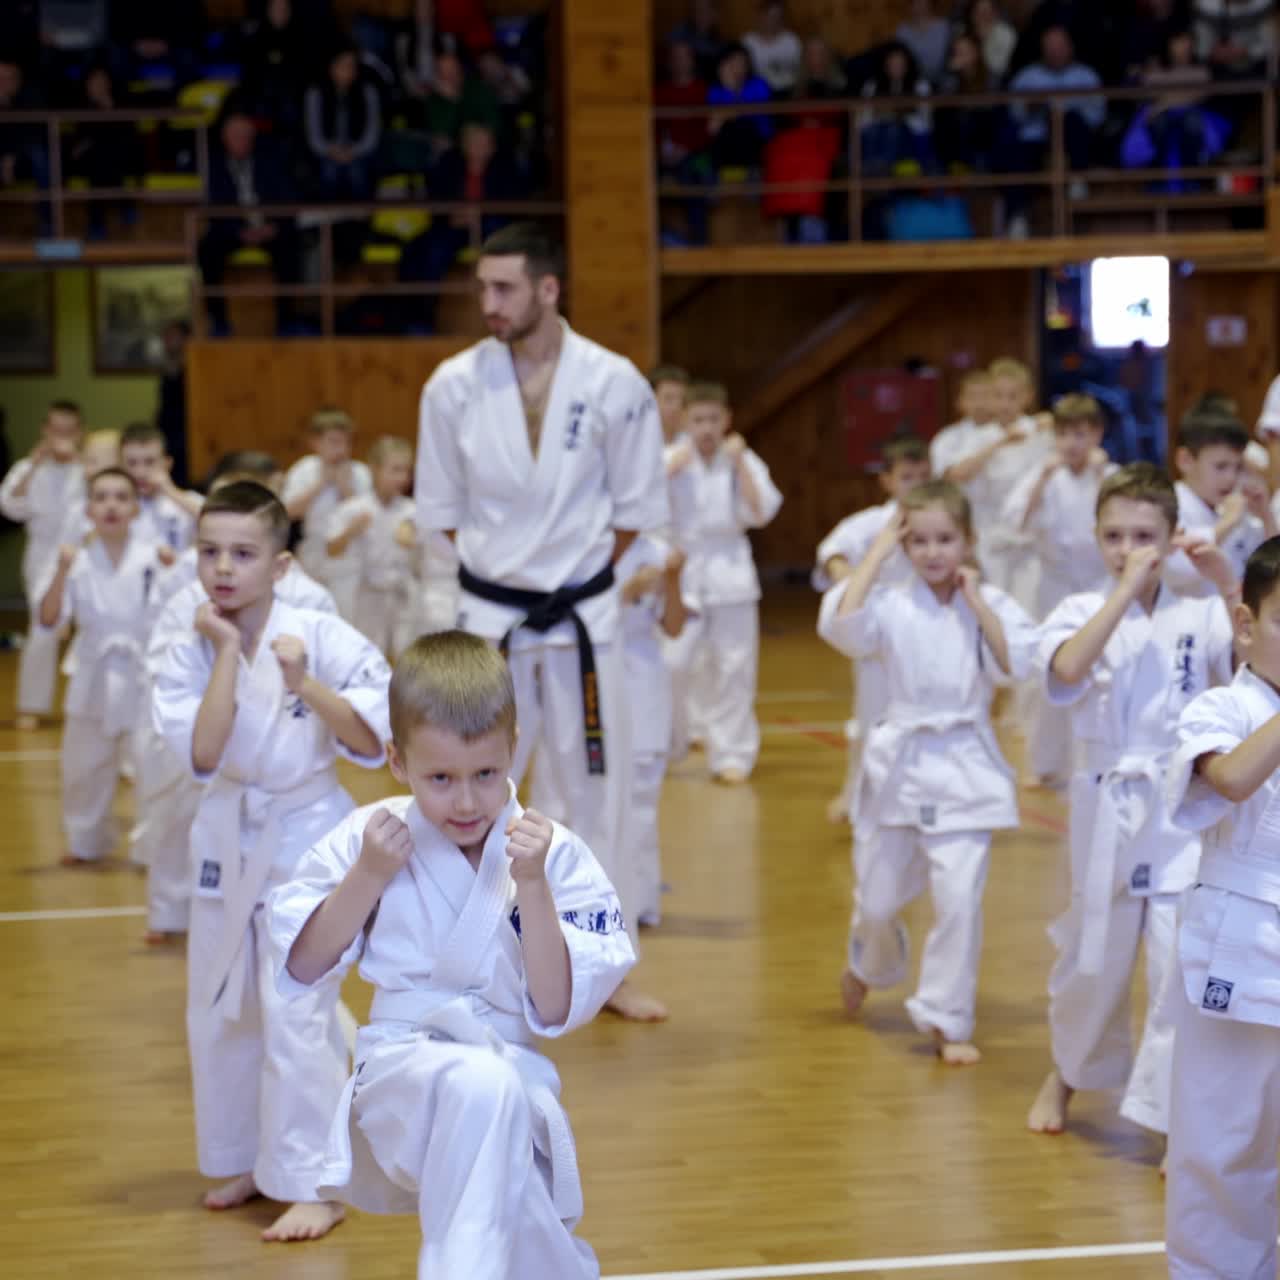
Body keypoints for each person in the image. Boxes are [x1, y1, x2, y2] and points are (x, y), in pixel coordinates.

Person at [267, 631, 634, 1278]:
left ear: (513, 749)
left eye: (485, 776)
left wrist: (534, 888)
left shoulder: (553, 855)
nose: (465, 802)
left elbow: (553, 1006)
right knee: (486, 1089)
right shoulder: (367, 838)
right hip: (401, 1075)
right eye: (440, 779)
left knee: (527, 1223)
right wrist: (369, 877)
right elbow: (301, 967)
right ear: (398, 763)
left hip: (513, 1067)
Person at [415, 222, 670, 1023]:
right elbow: (442, 512)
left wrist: (565, 576)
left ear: (548, 289)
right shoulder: (451, 385)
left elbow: (635, 511)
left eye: (504, 289)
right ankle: (463, 964)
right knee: (468, 792)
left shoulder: (615, 381)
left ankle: (606, 971)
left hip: (583, 619)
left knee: (600, 792)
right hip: (489, 617)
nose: (487, 304)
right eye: (482, 289)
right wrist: (511, 574)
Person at [152, 481, 391, 1243]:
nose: (222, 568)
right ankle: (251, 1157)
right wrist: (226, 650)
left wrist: (303, 684)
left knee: (298, 1011)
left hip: (306, 832)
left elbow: (372, 743)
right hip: (226, 831)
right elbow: (203, 752)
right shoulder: (184, 636)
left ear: (281, 565)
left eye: (243, 554)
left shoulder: (321, 632)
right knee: (224, 1006)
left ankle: (317, 1182)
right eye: (210, 551)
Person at [1025, 464, 1236, 1142]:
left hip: (1180, 807)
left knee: (1177, 963)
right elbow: (1066, 671)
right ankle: (1064, 1072)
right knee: (1094, 958)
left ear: (1173, 536)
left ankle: (1172, 1118)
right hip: (1106, 803)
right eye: (1114, 535)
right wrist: (1121, 591)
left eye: (1144, 534)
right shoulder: (1077, 609)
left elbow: (1253, 662)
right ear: (1096, 538)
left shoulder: (1199, 610)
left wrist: (1222, 577)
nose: (1128, 548)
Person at [817, 480, 1037, 1064]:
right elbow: (840, 628)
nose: (934, 552)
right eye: (919, 541)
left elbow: (1017, 664)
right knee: (879, 901)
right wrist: (875, 553)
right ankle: (867, 962)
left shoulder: (989, 601)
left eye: (946, 539)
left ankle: (946, 1016)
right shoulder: (888, 602)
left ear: (968, 541)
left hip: (966, 762)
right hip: (901, 761)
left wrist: (978, 601)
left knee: (959, 899)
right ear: (903, 544)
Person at [136, 452, 338, 945]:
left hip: (283, 770)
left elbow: (336, 691)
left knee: (285, 932)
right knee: (178, 825)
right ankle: (167, 911)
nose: (226, 564)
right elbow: (162, 666)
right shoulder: (190, 588)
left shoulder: (310, 597)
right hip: (210, 749)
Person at [1165, 536, 1280, 1277]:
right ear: (1246, 623)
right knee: (1224, 1140)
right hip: (1241, 950)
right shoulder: (1222, 708)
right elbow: (1233, 780)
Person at [36, 468, 156, 863]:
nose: (111, 505)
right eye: (101, 497)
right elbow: (50, 619)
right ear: (88, 509)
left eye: (121, 497)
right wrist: (60, 570)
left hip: (143, 672)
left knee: (149, 763)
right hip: (93, 671)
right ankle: (84, 841)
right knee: (84, 765)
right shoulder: (76, 560)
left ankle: (148, 847)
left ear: (135, 509)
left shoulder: (155, 557)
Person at [666, 382, 782, 785]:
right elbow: (641, 507)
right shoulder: (670, 460)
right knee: (673, 663)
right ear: (685, 421)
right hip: (683, 570)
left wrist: (741, 466)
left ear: (727, 420)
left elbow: (761, 512)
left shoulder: (743, 459)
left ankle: (732, 754)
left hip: (731, 569)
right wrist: (668, 470)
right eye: (698, 420)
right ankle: (672, 742)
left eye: (714, 419)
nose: (706, 428)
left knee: (735, 666)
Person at [813, 435, 932, 823]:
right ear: (888, 481)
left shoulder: (938, 520)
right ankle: (855, 791)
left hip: (927, 628)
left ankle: (921, 793)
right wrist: (847, 579)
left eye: (922, 476)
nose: (914, 485)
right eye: (906, 477)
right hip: (877, 632)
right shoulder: (869, 523)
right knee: (870, 718)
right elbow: (833, 551)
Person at [1001, 393, 1111, 785]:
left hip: (1101, 585)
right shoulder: (1042, 474)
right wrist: (1043, 477)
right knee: (1045, 672)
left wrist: (1101, 476)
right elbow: (1016, 522)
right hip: (1053, 583)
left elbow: (1125, 516)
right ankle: (1044, 763)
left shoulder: (1110, 475)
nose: (1072, 443)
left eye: (1081, 434)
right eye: (1064, 434)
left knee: (1100, 674)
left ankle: (1097, 759)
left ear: (1097, 434)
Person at [937, 358, 1054, 618]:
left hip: (1031, 541)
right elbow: (957, 474)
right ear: (989, 398)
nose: (1005, 404)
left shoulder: (1040, 430)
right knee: (990, 612)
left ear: (1027, 397)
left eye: (1013, 396)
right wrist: (999, 443)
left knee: (1030, 612)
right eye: (998, 396)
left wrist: (1051, 425)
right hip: (988, 541)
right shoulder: (979, 437)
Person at [0, 400, 84, 731]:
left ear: (79, 432)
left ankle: (96, 707)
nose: (62, 436)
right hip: (43, 552)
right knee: (42, 626)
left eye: (69, 430)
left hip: (88, 552)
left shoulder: (88, 468)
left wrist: (84, 464)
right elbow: (8, 506)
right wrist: (36, 464)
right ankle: (32, 705)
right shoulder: (26, 467)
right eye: (56, 430)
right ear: (45, 430)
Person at [198, 112, 301, 338]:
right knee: (207, 250)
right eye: (236, 135)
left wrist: (272, 227)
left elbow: (287, 199)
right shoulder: (213, 167)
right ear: (225, 138)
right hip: (232, 230)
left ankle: (286, 322)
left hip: (268, 229)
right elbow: (213, 206)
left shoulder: (270, 161)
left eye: (246, 135)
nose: (242, 140)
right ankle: (220, 322)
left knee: (291, 249)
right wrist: (239, 231)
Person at [1002, 26, 1106, 236]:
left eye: (1059, 47)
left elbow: (1097, 116)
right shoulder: (1028, 77)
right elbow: (1014, 114)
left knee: (1071, 119)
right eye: (1050, 48)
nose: (1055, 52)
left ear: (1070, 48)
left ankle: (1077, 179)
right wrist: (1033, 106)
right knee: (1014, 154)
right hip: (1036, 138)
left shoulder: (1085, 76)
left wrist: (1062, 114)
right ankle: (1017, 218)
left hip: (1074, 139)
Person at [325, 435, 418, 657]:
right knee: (368, 652)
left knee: (408, 654)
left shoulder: (412, 511)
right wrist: (351, 532)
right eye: (394, 470)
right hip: (367, 593)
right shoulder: (354, 509)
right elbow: (331, 549)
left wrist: (415, 541)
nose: (402, 478)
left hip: (402, 592)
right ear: (374, 469)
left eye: (406, 471)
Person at [1167, 409, 1270, 597]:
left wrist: (1266, 514)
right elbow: (1176, 569)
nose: (1230, 478)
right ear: (1185, 460)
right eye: (1221, 466)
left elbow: (1269, 565)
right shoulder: (1166, 505)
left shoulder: (1229, 508)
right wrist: (1228, 522)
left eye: (1238, 467)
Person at [282, 407, 373, 605]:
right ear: (315, 442)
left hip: (350, 553)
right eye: (333, 442)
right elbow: (286, 513)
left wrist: (345, 488)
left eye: (346, 442)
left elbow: (368, 516)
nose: (341, 449)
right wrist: (320, 485)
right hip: (313, 549)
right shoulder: (304, 469)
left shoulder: (359, 472)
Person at [304, 43, 383, 202]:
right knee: (329, 171)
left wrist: (353, 151)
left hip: (359, 151)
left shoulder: (368, 92)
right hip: (327, 152)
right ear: (331, 67)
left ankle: (360, 220)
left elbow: (372, 133)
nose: (348, 71)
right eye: (342, 65)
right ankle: (329, 222)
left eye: (351, 66)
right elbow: (314, 136)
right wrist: (331, 151)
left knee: (357, 172)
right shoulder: (316, 93)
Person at [119, 422, 202, 554]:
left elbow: (218, 521)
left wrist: (170, 491)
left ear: (167, 463)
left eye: (149, 462)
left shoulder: (190, 499)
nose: (140, 472)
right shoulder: (116, 505)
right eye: (132, 463)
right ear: (121, 466)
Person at [742, 0, 803, 94]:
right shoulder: (748, 41)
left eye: (778, 17)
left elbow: (801, 70)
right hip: (757, 93)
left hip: (788, 91)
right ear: (761, 16)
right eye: (770, 16)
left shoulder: (791, 40)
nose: (773, 21)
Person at [897, 0, 953, 84]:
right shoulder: (903, 30)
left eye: (923, 2)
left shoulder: (944, 28)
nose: (920, 5)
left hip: (942, 81)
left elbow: (950, 57)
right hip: (912, 83)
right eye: (916, 2)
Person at [967, 0, 1018, 83]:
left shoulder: (1006, 34)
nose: (983, 16)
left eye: (987, 11)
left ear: (996, 13)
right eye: (979, 12)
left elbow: (1000, 69)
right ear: (971, 15)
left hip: (997, 84)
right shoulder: (963, 32)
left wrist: (986, 40)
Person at [650, 364, 690, 444]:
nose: (677, 407)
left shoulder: (694, 439)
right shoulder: (639, 440)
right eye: (669, 399)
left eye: (682, 399)